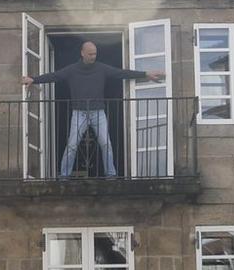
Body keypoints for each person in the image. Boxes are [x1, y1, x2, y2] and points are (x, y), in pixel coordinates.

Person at [22, 41, 166, 179]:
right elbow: (55, 76)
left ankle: (111, 175)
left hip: (98, 113)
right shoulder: (72, 70)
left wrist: (145, 74)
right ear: (82, 53)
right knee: (72, 145)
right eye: (90, 54)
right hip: (79, 113)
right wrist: (34, 79)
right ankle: (64, 176)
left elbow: (121, 73)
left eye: (95, 54)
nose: (93, 57)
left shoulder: (101, 68)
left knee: (106, 144)